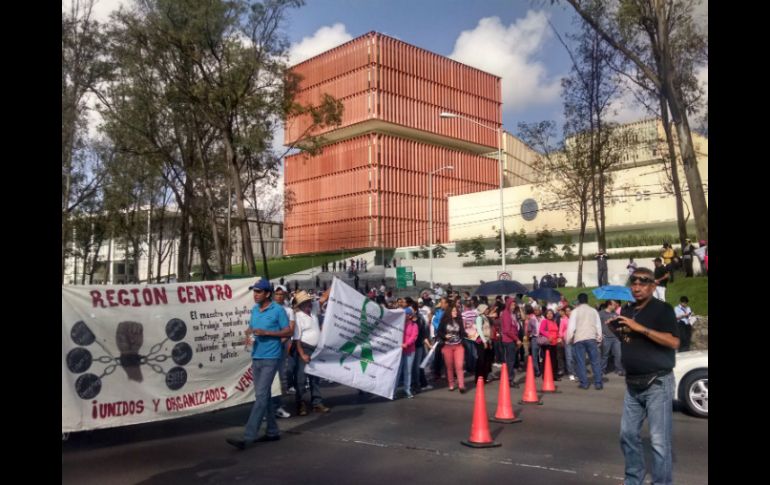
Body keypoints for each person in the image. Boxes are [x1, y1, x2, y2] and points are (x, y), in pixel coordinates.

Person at [611, 267, 680, 485]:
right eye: (634, 283)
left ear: (653, 286)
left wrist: (639, 328)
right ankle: (634, 480)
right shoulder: (629, 310)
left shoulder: (663, 309)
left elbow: (673, 341)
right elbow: (629, 341)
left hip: (657, 383)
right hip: (633, 384)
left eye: (643, 283)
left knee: (659, 442)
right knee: (628, 435)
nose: (637, 287)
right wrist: (617, 330)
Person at [226, 278, 292, 450]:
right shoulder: (255, 310)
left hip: (271, 357)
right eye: (254, 291)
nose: (255, 295)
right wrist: (248, 334)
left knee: (261, 396)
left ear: (267, 294)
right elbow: (252, 328)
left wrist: (267, 332)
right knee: (265, 396)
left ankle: (248, 436)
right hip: (256, 357)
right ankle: (272, 431)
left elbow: (288, 331)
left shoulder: (278, 310)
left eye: (258, 292)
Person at [291, 291, 330, 415]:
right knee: (301, 378)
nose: (308, 304)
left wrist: (334, 283)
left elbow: (324, 298)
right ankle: (300, 403)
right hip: (304, 348)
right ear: (300, 305)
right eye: (305, 302)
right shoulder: (297, 317)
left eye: (308, 301)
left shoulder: (313, 310)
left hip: (315, 349)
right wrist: (302, 354)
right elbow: (296, 339)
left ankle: (317, 403)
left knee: (315, 378)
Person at [566, 293, 603, 390]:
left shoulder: (575, 311)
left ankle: (584, 383)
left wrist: (568, 339)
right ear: (587, 300)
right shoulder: (593, 311)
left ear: (578, 301)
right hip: (591, 337)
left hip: (579, 338)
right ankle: (598, 383)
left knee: (581, 362)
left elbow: (571, 327)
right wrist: (599, 337)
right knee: (595, 361)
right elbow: (598, 325)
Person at [437, 304, 467, 393]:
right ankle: (451, 384)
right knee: (449, 367)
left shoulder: (459, 320)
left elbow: (462, 332)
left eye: (456, 311)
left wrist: (470, 334)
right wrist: (444, 336)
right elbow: (439, 332)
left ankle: (461, 385)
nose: (456, 312)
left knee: (459, 366)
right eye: (453, 311)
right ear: (449, 312)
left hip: (458, 346)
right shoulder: (444, 321)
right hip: (447, 347)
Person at [396, 307, 419, 398]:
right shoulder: (399, 324)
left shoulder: (414, 325)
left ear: (410, 316)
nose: (405, 315)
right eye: (404, 314)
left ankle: (407, 389)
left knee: (407, 371)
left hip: (410, 351)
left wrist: (406, 344)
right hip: (399, 351)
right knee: (398, 371)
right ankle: (393, 391)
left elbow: (414, 337)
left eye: (406, 314)